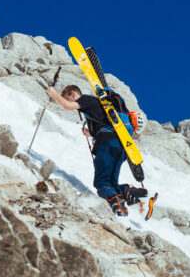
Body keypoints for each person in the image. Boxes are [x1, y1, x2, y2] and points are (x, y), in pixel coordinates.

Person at [47, 83, 146, 216]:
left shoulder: (86, 99)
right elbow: (104, 123)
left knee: (102, 183)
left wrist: (53, 94)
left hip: (107, 144)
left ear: (73, 94)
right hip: (120, 146)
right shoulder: (96, 105)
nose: (67, 100)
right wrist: (91, 133)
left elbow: (67, 106)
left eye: (67, 97)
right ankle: (127, 190)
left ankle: (117, 205)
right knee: (110, 182)